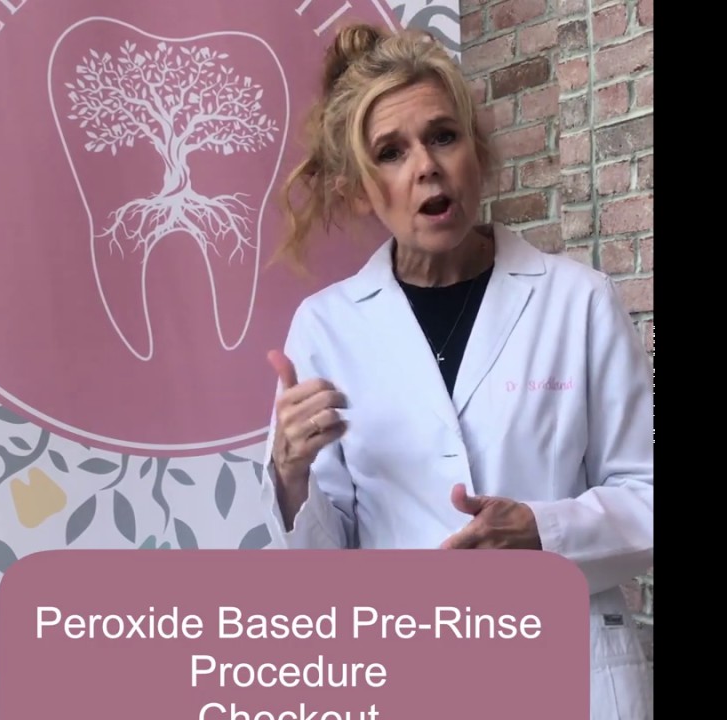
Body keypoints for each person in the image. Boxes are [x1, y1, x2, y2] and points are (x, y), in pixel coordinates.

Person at [258, 22, 654, 720]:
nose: (426, 167)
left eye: (443, 136)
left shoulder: (579, 301)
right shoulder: (326, 328)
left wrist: (540, 530)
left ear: (477, 152)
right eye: (391, 152)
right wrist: (290, 476)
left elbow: (646, 501)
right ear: (360, 190)